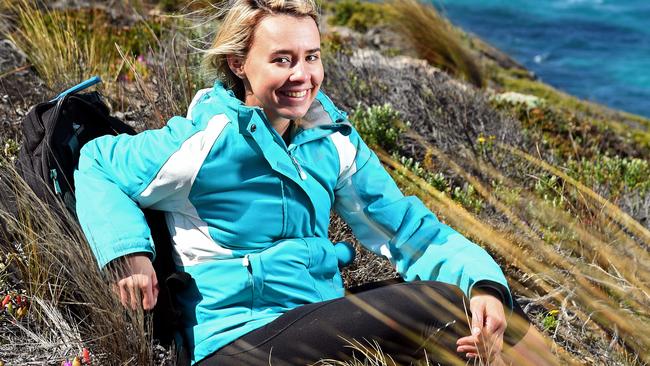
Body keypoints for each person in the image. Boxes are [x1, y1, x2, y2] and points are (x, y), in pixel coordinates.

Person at [74, 0, 556, 365]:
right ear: (239, 64)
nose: (302, 75)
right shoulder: (206, 141)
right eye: (281, 60)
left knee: (491, 311)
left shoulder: (331, 140)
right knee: (439, 308)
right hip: (235, 343)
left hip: (314, 317)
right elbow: (97, 162)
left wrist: (484, 285)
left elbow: (411, 233)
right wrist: (126, 251)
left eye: (312, 57)